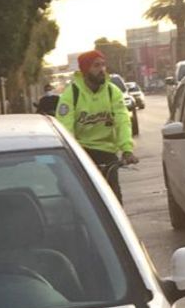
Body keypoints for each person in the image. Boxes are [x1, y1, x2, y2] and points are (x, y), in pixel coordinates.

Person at [55, 48, 138, 201]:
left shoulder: (113, 92)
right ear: (85, 70)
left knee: (114, 198)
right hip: (81, 152)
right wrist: (72, 155)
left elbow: (122, 121)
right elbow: (65, 128)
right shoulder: (70, 95)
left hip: (107, 152)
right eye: (96, 66)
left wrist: (127, 149)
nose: (102, 69)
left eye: (103, 65)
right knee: (82, 200)